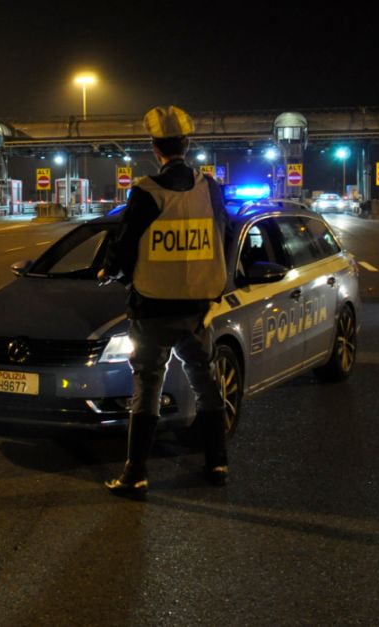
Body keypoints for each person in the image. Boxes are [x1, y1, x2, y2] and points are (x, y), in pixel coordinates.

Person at [99, 106, 231, 500]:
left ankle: (135, 474)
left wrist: (112, 273)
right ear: (187, 145)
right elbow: (222, 238)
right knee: (207, 384)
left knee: (148, 387)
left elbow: (124, 246)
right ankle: (217, 464)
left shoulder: (146, 191)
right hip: (198, 308)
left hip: (153, 307)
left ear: (155, 148)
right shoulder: (211, 188)